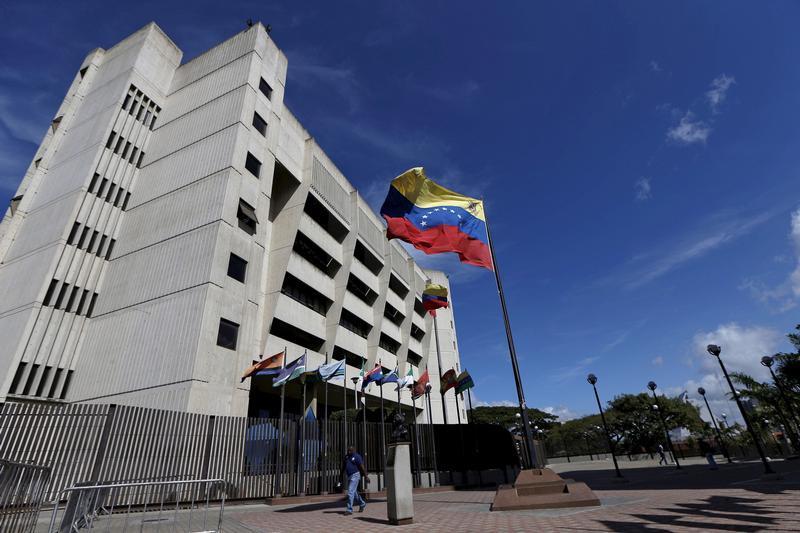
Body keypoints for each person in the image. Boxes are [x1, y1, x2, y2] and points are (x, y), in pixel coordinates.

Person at [338, 446, 368, 515]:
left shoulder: (357, 456)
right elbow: (343, 467)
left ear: (353, 450)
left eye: (350, 451)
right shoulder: (346, 457)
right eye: (348, 451)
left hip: (355, 475)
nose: (349, 452)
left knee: (350, 491)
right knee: (354, 493)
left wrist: (366, 476)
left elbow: (362, 467)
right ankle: (362, 503)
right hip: (349, 476)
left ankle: (349, 509)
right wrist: (340, 476)